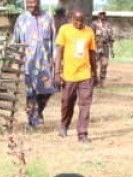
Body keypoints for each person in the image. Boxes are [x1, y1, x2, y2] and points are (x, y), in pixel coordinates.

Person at [54, 8, 98, 143]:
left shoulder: (89, 32)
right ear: (71, 19)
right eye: (76, 20)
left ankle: (82, 134)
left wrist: (94, 73)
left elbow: (92, 54)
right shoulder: (64, 30)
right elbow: (59, 53)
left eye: (81, 20)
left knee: (85, 105)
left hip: (85, 75)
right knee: (67, 102)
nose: (79, 23)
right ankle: (64, 125)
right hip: (69, 75)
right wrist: (57, 72)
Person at [12, 0, 56, 129]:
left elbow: (54, 40)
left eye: (34, 2)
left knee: (47, 90)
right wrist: (16, 60)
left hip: (45, 63)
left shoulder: (48, 18)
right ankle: (32, 121)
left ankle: (38, 111)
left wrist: (55, 58)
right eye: (29, 3)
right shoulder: (21, 19)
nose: (32, 5)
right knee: (30, 93)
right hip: (28, 63)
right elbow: (16, 42)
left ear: (39, 2)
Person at [93, 11, 115, 86]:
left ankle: (101, 81)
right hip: (96, 46)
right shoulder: (94, 24)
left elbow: (111, 38)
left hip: (105, 47)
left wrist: (112, 49)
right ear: (98, 15)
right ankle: (94, 80)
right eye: (101, 14)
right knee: (94, 64)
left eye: (103, 14)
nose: (102, 15)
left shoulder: (108, 25)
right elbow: (91, 36)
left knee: (104, 64)